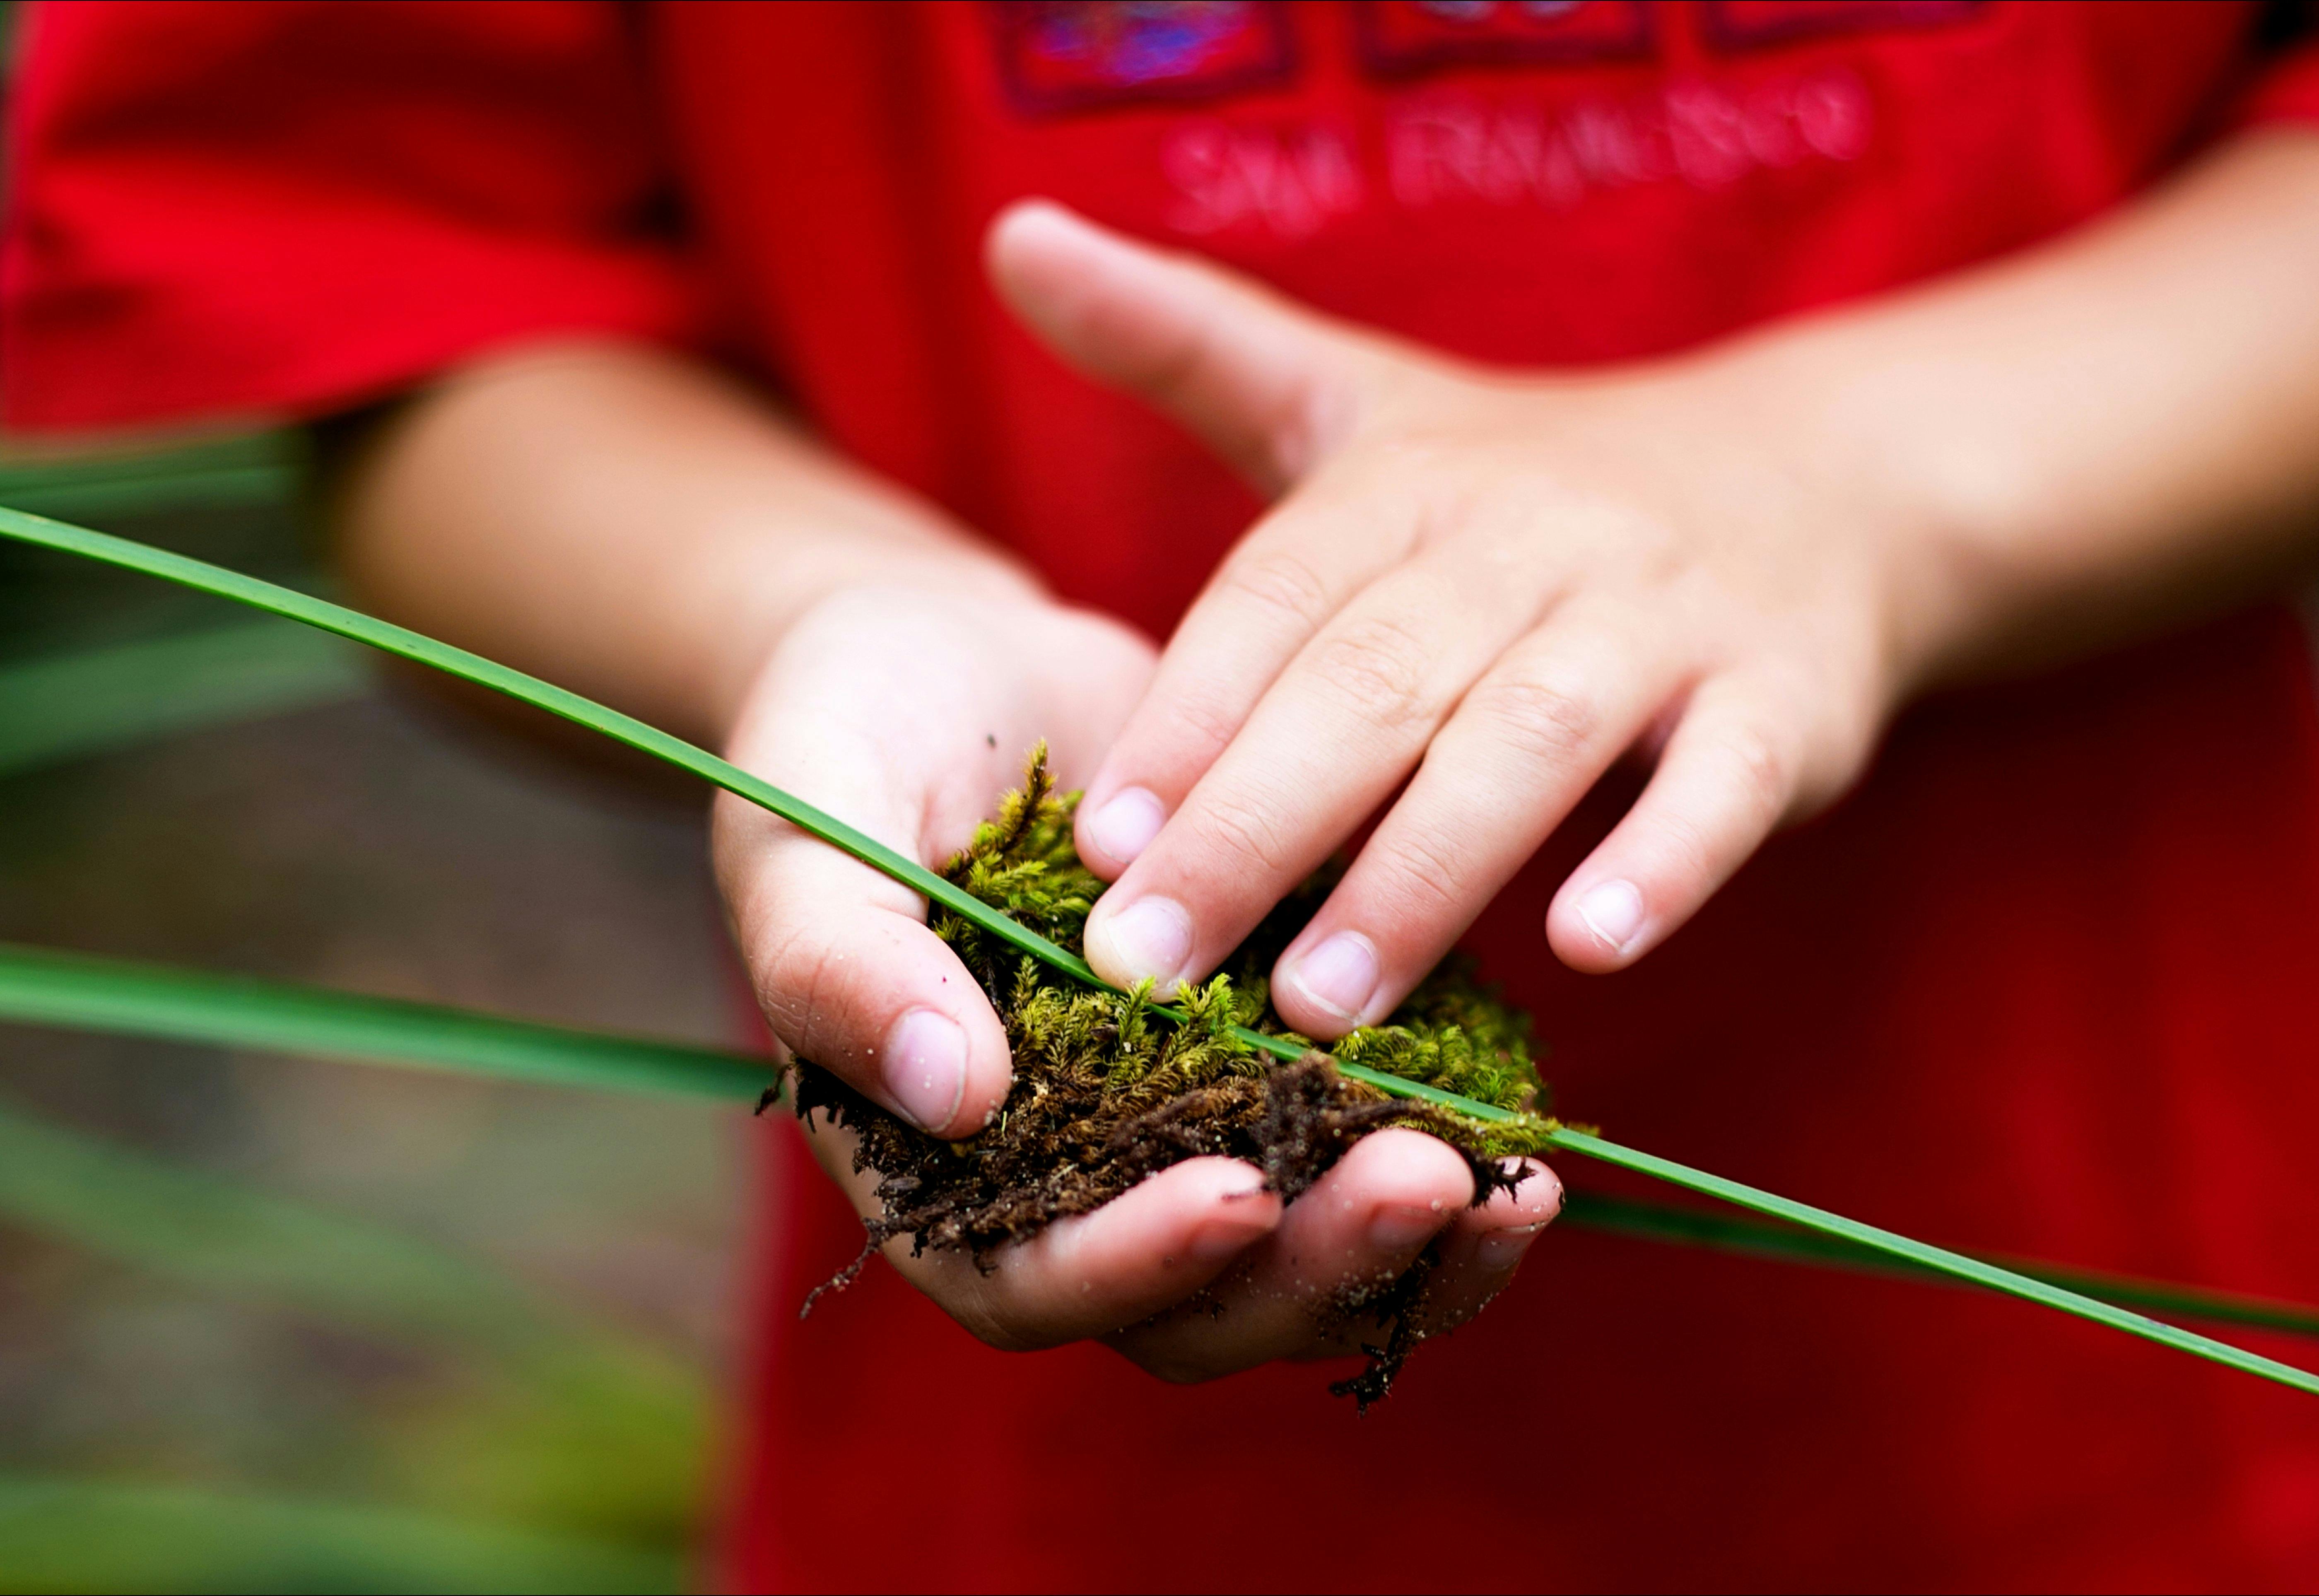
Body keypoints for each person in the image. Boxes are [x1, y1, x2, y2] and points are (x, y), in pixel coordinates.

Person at [9, 1, 2319, 1587]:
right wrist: (811, 609)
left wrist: (1858, 487)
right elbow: (400, 306)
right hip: (1046, 1500)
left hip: (2141, 1350)